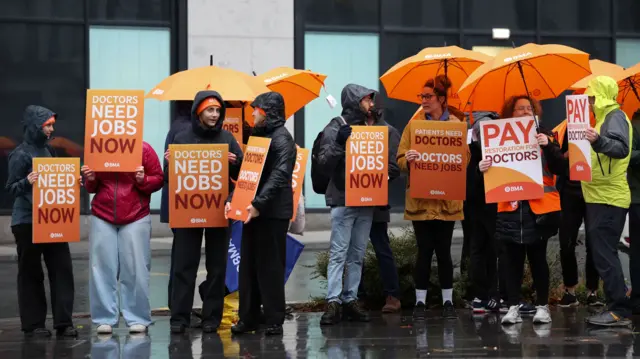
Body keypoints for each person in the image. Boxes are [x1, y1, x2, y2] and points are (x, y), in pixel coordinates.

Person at [479, 95, 562, 326]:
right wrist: (482, 167)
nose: (525, 112)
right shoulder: (498, 135)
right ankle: (513, 306)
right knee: (511, 260)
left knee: (538, 259)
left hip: (540, 207)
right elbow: (491, 171)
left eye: (529, 108)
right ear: (510, 113)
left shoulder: (546, 133)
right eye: (520, 109)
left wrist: (548, 146)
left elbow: (560, 167)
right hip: (510, 207)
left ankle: (542, 306)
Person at [167, 91, 243, 334]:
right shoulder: (181, 138)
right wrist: (169, 163)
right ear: (198, 111)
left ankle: (212, 318)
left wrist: (236, 163)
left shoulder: (228, 138)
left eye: (218, 111)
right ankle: (179, 318)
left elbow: (244, 176)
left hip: (219, 211)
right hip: (187, 211)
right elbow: (169, 178)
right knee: (183, 266)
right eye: (210, 110)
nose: (214, 115)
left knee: (217, 267)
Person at [397, 75, 466, 319]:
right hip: (421, 202)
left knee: (445, 252)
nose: (424, 101)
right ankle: (420, 302)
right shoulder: (413, 126)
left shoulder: (457, 124)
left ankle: (448, 301)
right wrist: (409, 159)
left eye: (428, 97)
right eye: (422, 96)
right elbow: (400, 160)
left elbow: (464, 160)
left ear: (441, 99)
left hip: (447, 202)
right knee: (424, 251)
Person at [227, 91, 296, 336]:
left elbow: (278, 176)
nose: (252, 113)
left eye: (256, 109)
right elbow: (250, 172)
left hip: (272, 212)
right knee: (248, 266)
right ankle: (249, 318)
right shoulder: (259, 136)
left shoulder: (282, 140)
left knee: (270, 267)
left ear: (266, 112)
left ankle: (274, 319)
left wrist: (258, 203)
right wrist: (236, 166)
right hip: (252, 210)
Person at [5, 105, 77, 338]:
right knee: (31, 273)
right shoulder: (20, 154)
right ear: (36, 125)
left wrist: (71, 182)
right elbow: (11, 189)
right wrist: (27, 181)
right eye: (47, 125)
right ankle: (34, 325)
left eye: (52, 125)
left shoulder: (49, 151)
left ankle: (63, 323)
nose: (51, 129)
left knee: (62, 270)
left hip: (53, 219)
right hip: (27, 222)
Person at [315, 84, 380, 326]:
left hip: (365, 199)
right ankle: (333, 301)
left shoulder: (367, 128)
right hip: (343, 200)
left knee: (357, 254)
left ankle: (350, 299)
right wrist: (340, 143)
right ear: (354, 101)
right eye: (366, 100)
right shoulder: (336, 127)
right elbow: (324, 163)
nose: (370, 104)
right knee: (339, 253)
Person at [83, 141, 163, 334]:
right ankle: (104, 318)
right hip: (103, 213)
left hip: (136, 214)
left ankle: (137, 317)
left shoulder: (144, 149)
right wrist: (91, 179)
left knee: (136, 267)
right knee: (101, 268)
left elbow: (159, 179)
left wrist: (143, 180)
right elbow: (91, 187)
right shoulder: (98, 147)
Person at [581, 76, 633, 327]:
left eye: (592, 97)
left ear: (600, 96)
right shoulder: (605, 119)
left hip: (608, 198)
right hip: (600, 197)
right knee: (603, 254)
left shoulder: (614, 118)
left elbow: (621, 148)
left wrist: (597, 140)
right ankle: (618, 305)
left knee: (605, 255)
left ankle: (618, 310)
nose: (589, 102)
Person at [545, 118, 601, 307]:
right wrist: (566, 155)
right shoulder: (564, 127)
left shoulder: (601, 125)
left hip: (594, 189)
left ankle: (593, 291)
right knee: (566, 243)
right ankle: (570, 290)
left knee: (594, 243)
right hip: (569, 191)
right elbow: (555, 161)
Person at [357, 95, 402, 313]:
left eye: (371, 101)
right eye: (365, 101)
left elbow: (394, 168)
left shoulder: (389, 132)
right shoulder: (353, 130)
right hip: (356, 200)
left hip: (377, 201)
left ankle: (392, 296)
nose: (369, 105)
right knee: (356, 251)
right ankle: (358, 296)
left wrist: (377, 175)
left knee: (381, 248)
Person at [467, 111, 508, 314]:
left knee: (495, 250)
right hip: (477, 205)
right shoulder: (470, 148)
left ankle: (494, 294)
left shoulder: (503, 142)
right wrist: (477, 171)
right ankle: (482, 295)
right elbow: (464, 178)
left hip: (495, 204)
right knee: (478, 250)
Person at [628, 109, 640, 315]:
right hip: (638, 198)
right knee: (638, 252)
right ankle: (637, 298)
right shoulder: (634, 126)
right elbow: (628, 155)